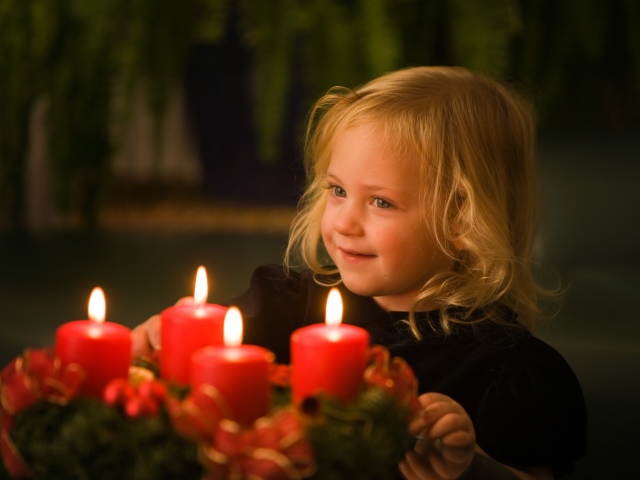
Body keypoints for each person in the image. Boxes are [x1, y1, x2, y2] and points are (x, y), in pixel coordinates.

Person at [133, 66, 587, 479]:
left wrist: (468, 467)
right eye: (337, 190)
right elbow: (208, 349)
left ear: (461, 223)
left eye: (381, 202)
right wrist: (166, 341)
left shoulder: (510, 372)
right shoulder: (285, 306)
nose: (344, 223)